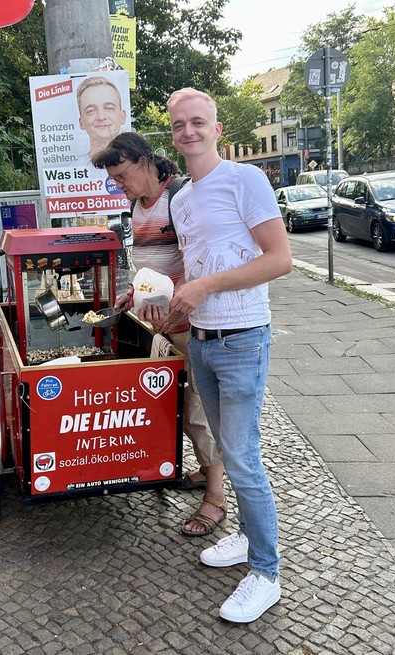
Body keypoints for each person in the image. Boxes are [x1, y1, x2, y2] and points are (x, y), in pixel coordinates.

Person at [161, 87, 293, 624]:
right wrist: (167, 295)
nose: (188, 132)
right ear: (170, 133)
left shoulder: (246, 179)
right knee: (226, 448)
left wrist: (205, 286)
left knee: (240, 455)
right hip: (202, 341)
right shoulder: (182, 198)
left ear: (217, 128)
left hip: (242, 338)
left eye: (198, 122)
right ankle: (244, 535)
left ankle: (266, 573)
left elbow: (281, 259)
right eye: (178, 125)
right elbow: (197, 266)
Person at [91, 132, 228, 538]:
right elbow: (152, 266)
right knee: (173, 407)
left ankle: (217, 496)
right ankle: (205, 471)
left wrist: (163, 295)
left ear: (142, 160)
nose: (118, 184)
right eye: (113, 179)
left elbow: (199, 261)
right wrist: (134, 292)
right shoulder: (137, 206)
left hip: (191, 324)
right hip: (160, 324)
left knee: (198, 412)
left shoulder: (180, 197)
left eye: (120, 175)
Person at [75, 76, 127, 162]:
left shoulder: (138, 163)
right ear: (81, 122)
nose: (101, 117)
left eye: (109, 108)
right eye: (91, 111)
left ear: (122, 116)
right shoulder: (74, 170)